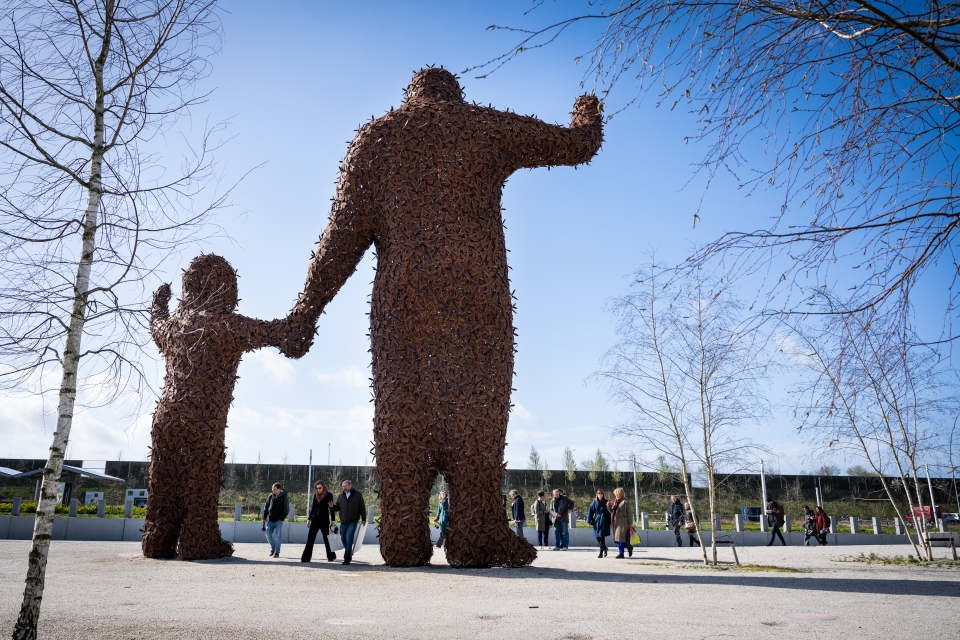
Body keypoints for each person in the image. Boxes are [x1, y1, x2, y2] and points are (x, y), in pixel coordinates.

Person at [333, 479, 367, 565]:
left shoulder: (358, 495)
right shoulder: (340, 497)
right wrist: (332, 506)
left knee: (349, 539)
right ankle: (349, 551)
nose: (344, 488)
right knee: (343, 538)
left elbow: (362, 508)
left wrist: (363, 518)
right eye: (342, 486)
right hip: (343, 521)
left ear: (350, 485)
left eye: (345, 486)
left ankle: (347, 558)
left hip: (353, 521)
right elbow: (337, 508)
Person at [302, 482, 336, 563]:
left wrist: (333, 520)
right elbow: (313, 508)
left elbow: (331, 508)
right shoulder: (315, 495)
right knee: (310, 538)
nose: (318, 490)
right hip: (315, 519)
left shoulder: (329, 495)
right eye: (317, 488)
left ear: (323, 487)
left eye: (320, 488)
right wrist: (309, 519)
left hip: (324, 520)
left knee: (326, 539)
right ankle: (306, 557)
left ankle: (331, 556)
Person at [261, 482, 289, 558]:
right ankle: (273, 548)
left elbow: (286, 509)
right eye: (272, 488)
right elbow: (266, 507)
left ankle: (277, 552)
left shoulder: (284, 497)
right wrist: (264, 517)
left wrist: (281, 519)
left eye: (274, 489)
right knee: (268, 535)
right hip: (270, 520)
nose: (273, 490)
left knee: (278, 537)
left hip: (279, 521)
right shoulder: (270, 496)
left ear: (279, 489)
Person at [610, 487, 633, 558]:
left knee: (621, 538)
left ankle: (621, 553)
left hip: (623, 522)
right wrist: (608, 507)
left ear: (620, 494)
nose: (616, 495)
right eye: (615, 494)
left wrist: (630, 523)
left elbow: (629, 513)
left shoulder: (625, 501)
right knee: (621, 539)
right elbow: (613, 512)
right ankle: (629, 548)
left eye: (617, 494)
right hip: (616, 522)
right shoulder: (616, 502)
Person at [588, 489, 612, 558]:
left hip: (604, 520)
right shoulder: (594, 502)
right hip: (597, 520)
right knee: (597, 536)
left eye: (601, 493)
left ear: (603, 494)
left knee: (602, 536)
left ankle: (601, 552)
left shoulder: (606, 502)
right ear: (597, 494)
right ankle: (604, 548)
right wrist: (589, 520)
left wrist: (610, 522)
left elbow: (609, 513)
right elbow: (590, 511)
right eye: (599, 493)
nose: (600, 495)